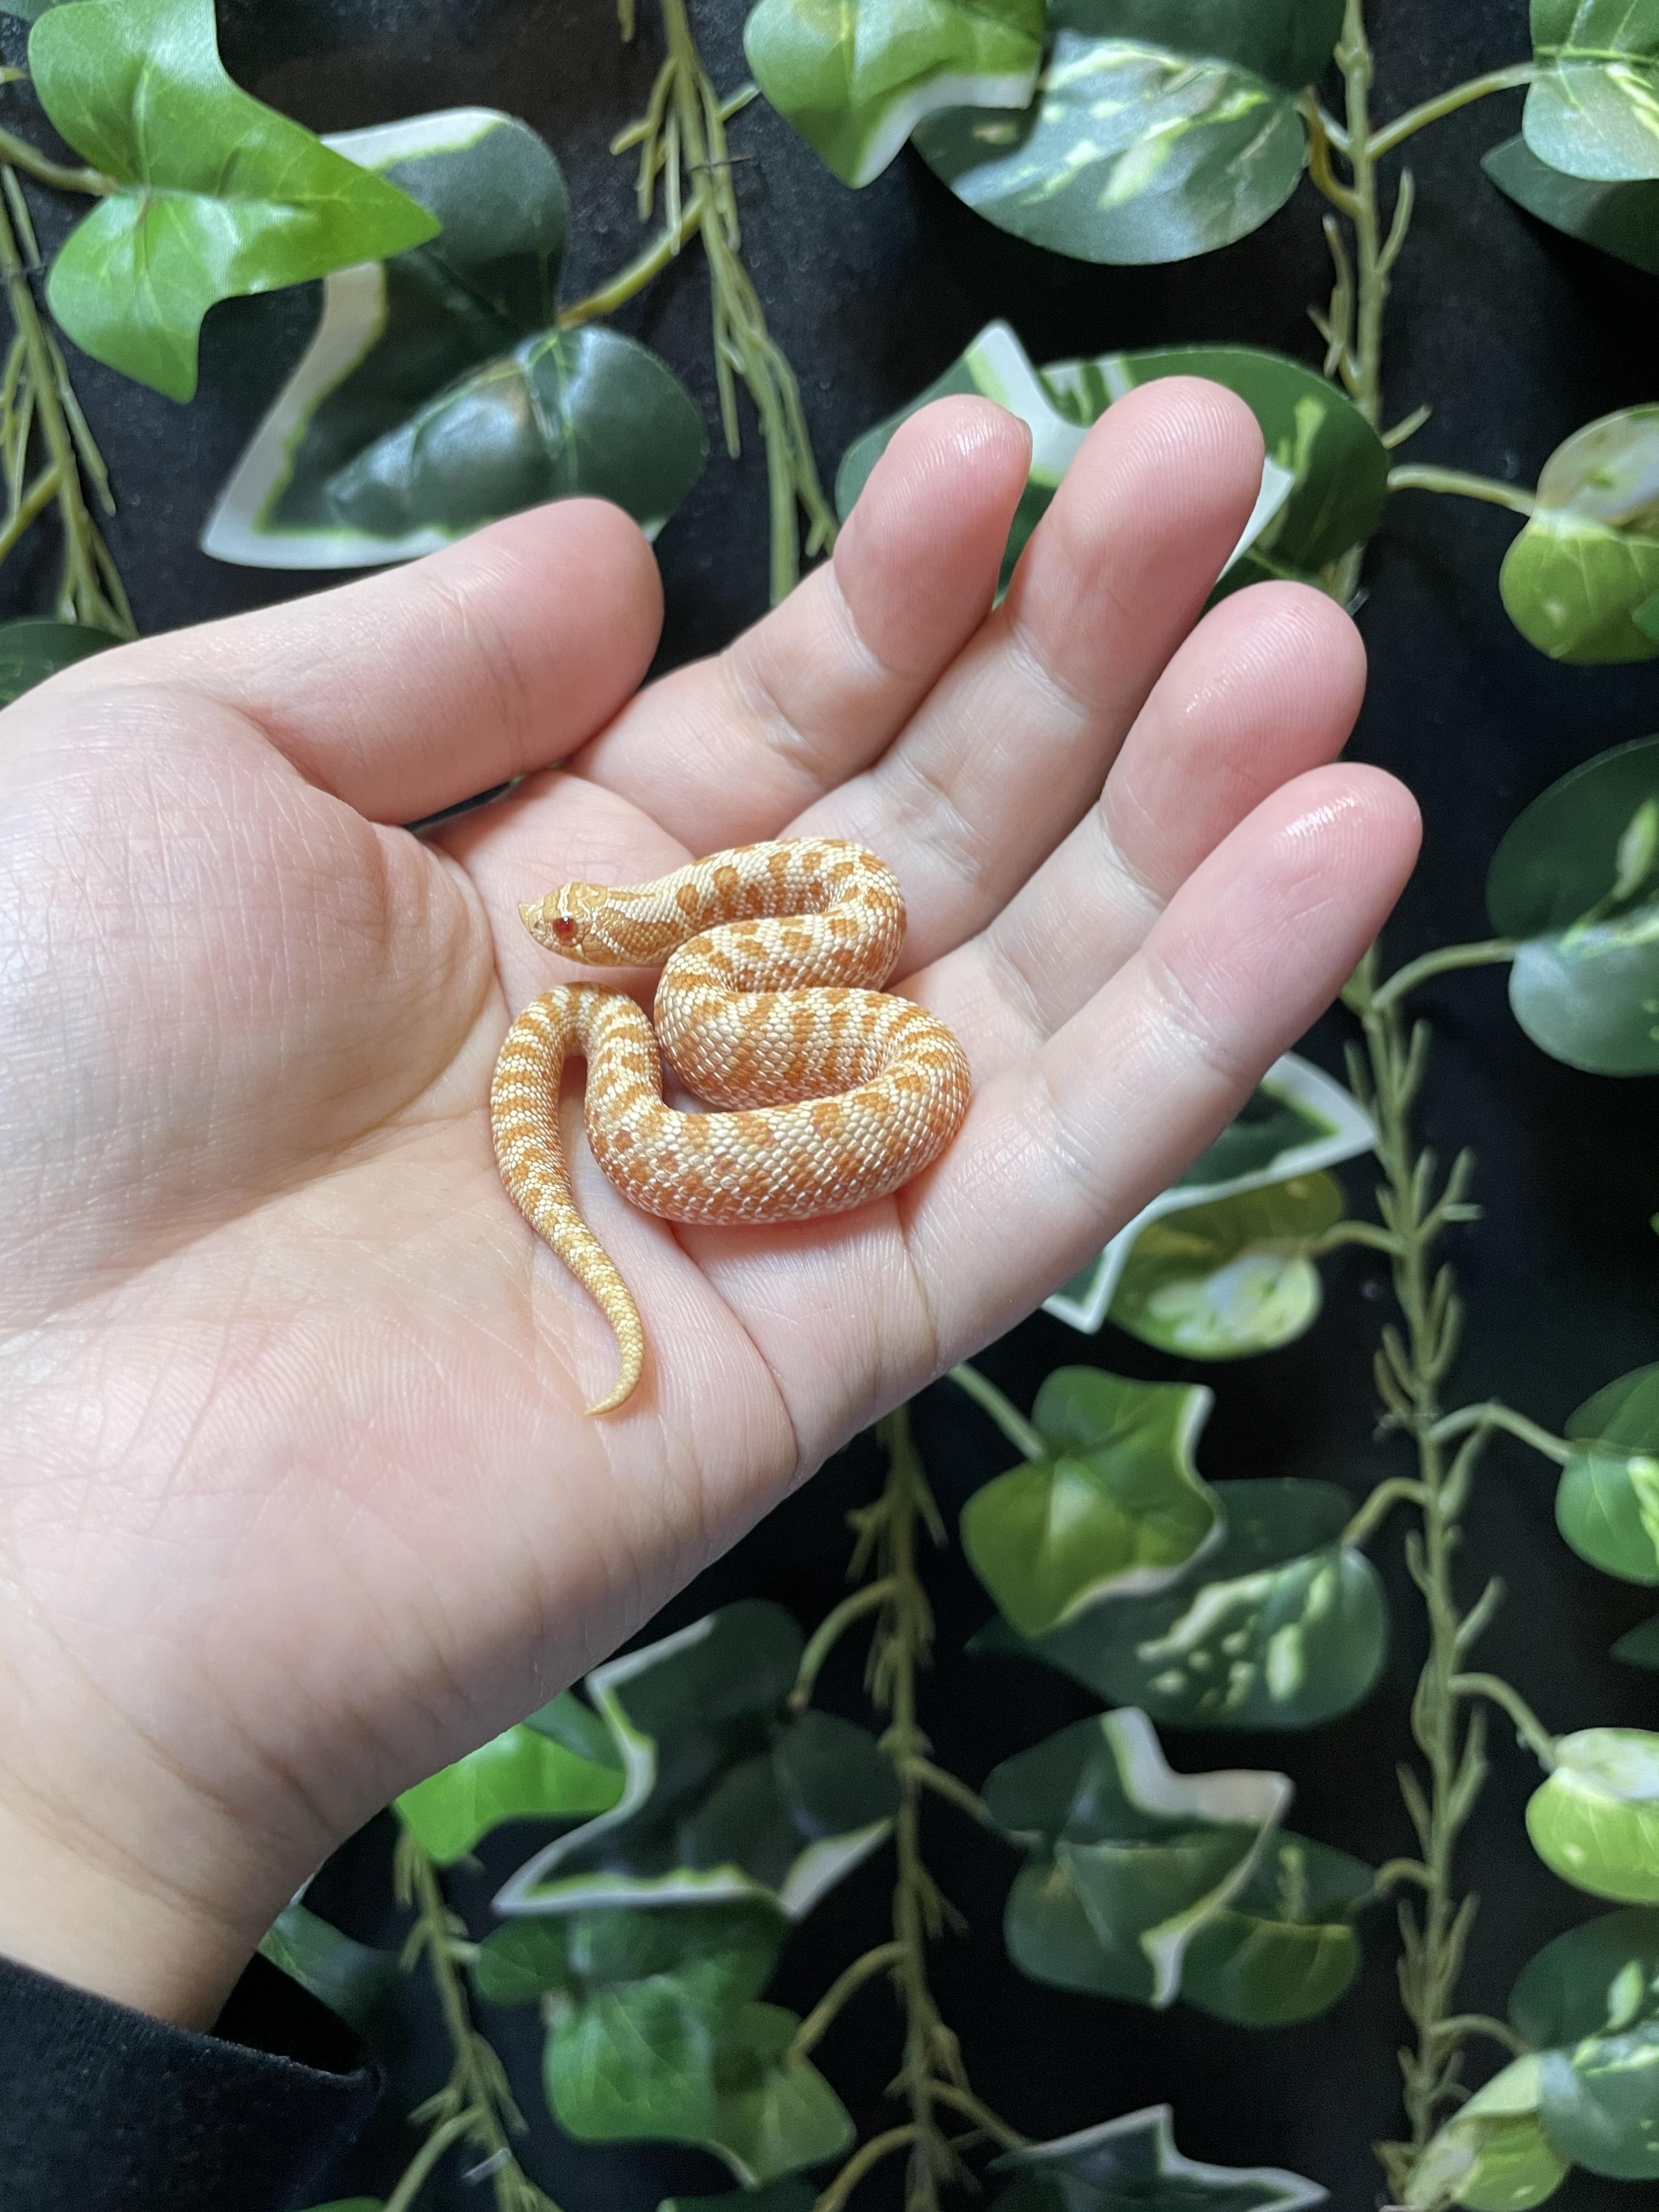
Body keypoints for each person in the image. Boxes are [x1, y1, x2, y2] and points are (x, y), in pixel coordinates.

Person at [0, 385, 1418, 2205]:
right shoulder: (664, 985)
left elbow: (709, 995)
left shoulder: (730, 967)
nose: (572, 952)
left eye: (588, 947)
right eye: (584, 953)